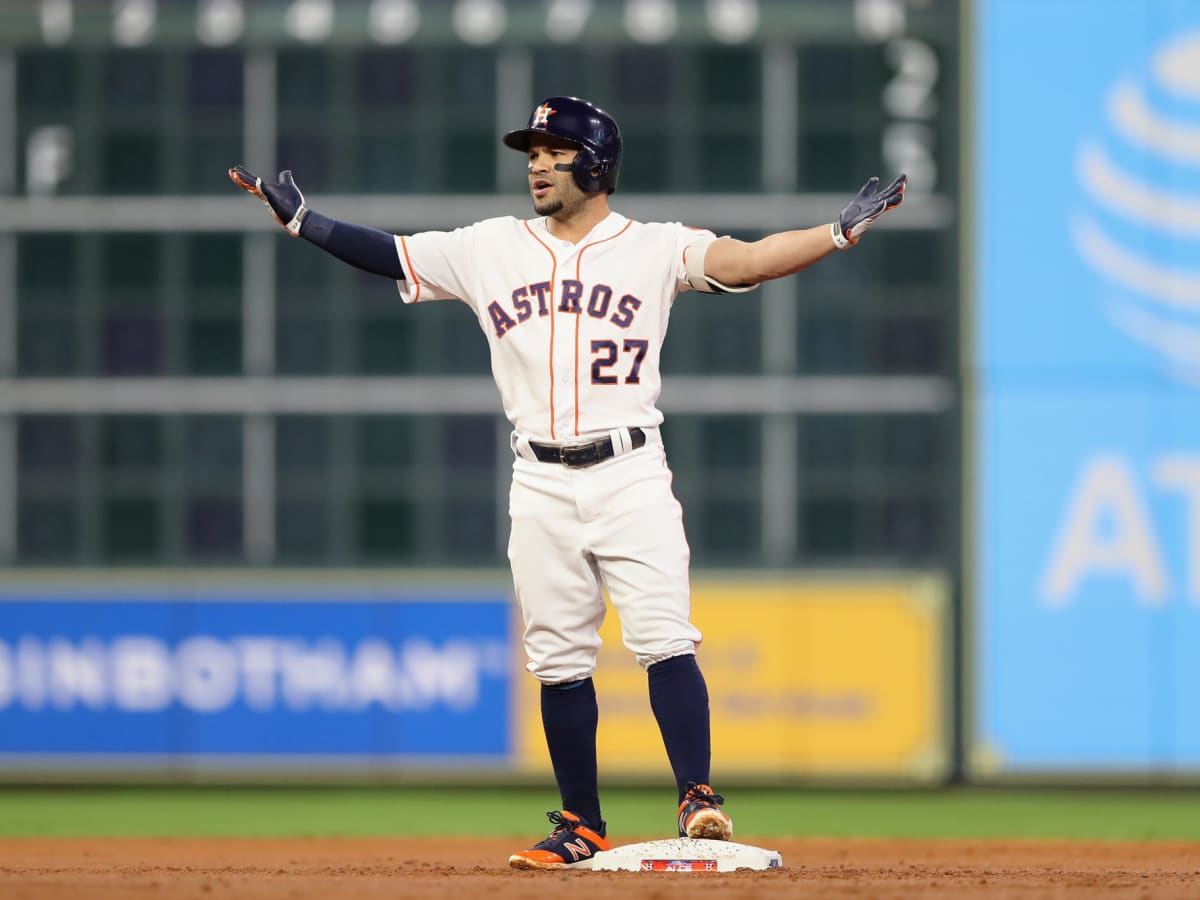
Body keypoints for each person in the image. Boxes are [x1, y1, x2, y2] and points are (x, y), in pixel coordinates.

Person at [230, 95, 905, 870]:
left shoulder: (654, 247)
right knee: (556, 657)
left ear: (598, 163)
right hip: (539, 478)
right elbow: (391, 253)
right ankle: (581, 824)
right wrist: (302, 221)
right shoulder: (489, 248)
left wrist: (836, 232)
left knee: (663, 637)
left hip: (629, 470)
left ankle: (698, 796)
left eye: (555, 151)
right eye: (532, 154)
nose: (538, 165)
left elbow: (747, 259)